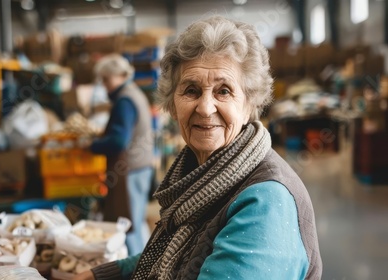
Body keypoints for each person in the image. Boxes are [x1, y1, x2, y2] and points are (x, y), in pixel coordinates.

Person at [75, 15, 322, 280]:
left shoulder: (265, 203)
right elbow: (177, 253)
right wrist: (100, 274)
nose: (205, 108)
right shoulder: (198, 172)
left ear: (249, 104)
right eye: (191, 90)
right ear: (172, 104)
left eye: (224, 91)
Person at [89, 54, 155, 257]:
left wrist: (91, 146)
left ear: (119, 75)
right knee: (135, 222)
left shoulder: (125, 100)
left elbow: (118, 141)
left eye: (107, 79)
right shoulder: (133, 93)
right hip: (140, 167)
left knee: (128, 226)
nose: (105, 85)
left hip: (130, 170)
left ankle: (139, 271)